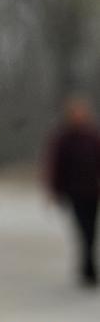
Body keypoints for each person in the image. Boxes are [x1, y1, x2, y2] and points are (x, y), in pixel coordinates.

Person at [43, 97, 100, 286]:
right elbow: (56, 166)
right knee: (83, 229)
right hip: (74, 192)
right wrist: (54, 190)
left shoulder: (93, 137)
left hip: (93, 191)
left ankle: (88, 266)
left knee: (91, 230)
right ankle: (87, 267)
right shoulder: (63, 139)